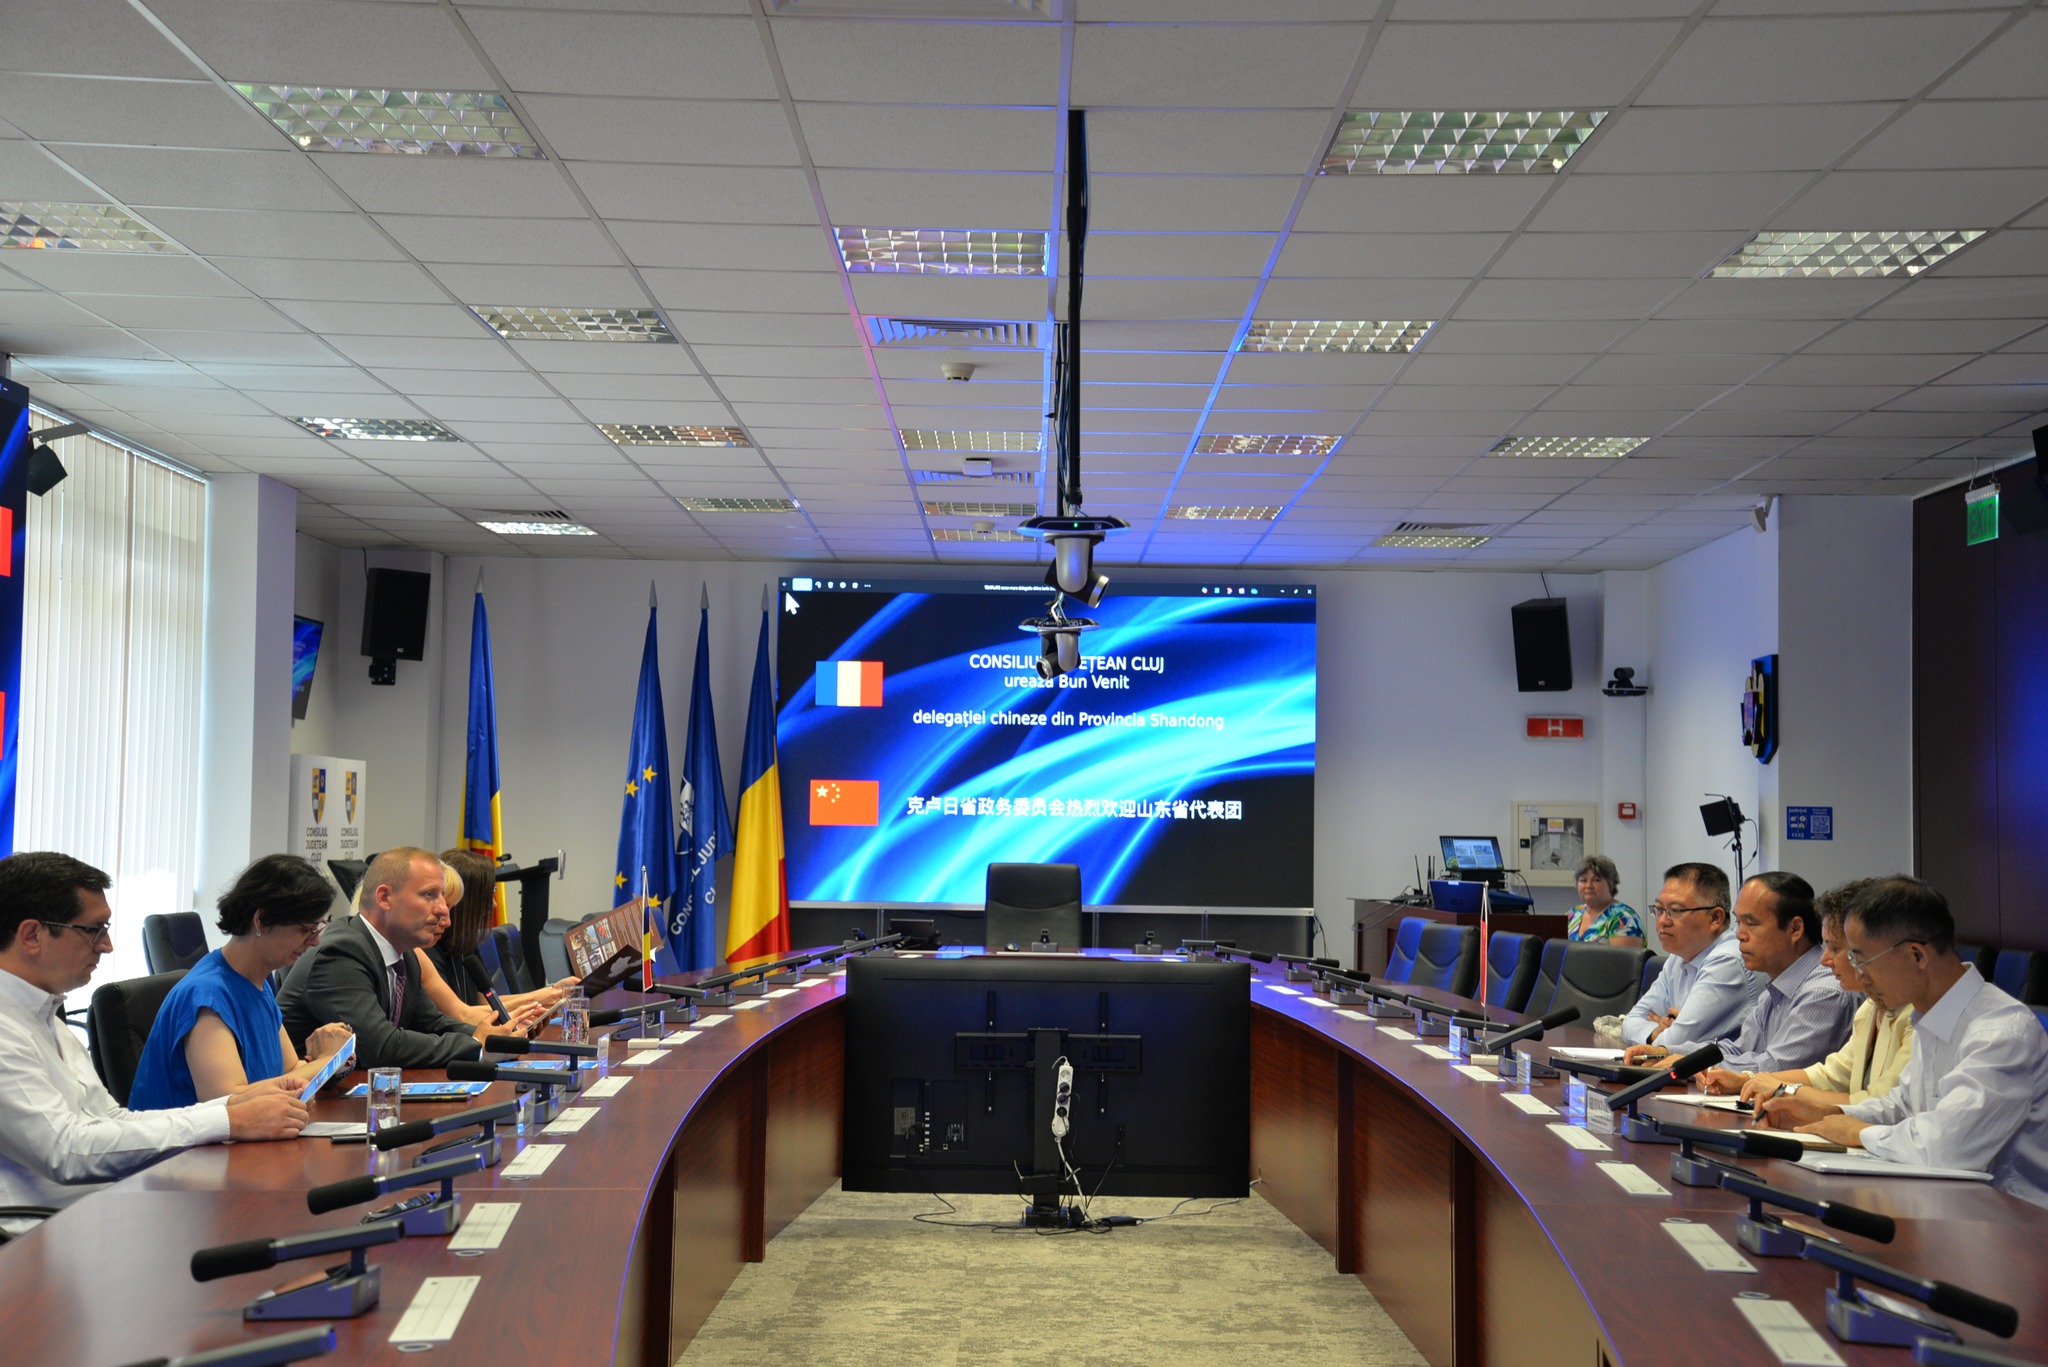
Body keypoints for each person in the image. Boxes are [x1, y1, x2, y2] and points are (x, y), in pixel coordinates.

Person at [0, 852, 308, 1227]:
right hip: (37, 1237)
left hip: (101, 1209)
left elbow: (110, 1119)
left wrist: (234, 1106)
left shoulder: (44, 1015)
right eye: (93, 930)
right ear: (32, 936)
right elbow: (67, 1150)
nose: (107, 945)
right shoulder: (5, 1029)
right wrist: (229, 1119)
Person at [1792, 877, 2048, 1208]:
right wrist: (1826, 1114)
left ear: (1916, 955)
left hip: (2014, 1221)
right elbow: (1902, 1107)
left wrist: (1856, 1132)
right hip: (1950, 1205)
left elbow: (1946, 1147)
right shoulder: (1930, 1016)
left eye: (1861, 960)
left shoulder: (2000, 1032)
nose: (1860, 975)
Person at [129, 855, 356, 1110]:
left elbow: (291, 1070)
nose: (315, 941)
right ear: (262, 921)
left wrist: (337, 1059)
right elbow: (229, 1103)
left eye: (317, 929)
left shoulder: (258, 982)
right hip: (191, 1136)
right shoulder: (207, 995)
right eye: (306, 930)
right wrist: (328, 1059)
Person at [278, 846, 529, 1068]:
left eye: (442, 896)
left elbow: (432, 1023)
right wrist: (476, 1046)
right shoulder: (341, 952)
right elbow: (378, 1046)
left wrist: (496, 1037)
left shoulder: (404, 954)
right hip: (305, 1099)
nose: (443, 909)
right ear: (384, 898)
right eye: (429, 895)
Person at [1629, 871, 1854, 1078]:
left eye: (1751, 923)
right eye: (1738, 922)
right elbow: (1737, 1049)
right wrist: (1667, 1051)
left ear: (1795, 929)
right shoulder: (1777, 986)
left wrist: (1688, 1064)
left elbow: (1776, 1067)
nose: (1739, 935)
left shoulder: (1824, 993)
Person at [1738, 878, 1914, 1125]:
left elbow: (1882, 1104)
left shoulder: (1918, 1014)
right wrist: (1749, 1079)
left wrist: (1784, 1089)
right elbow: (1831, 1075)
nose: (1824, 959)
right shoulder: (1871, 1008)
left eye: (1835, 948)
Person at [1619, 862, 1762, 1050]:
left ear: (1715, 918)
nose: (1663, 921)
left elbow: (1673, 1044)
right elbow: (1631, 1021)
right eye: (1659, 909)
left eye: (1675, 911)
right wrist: (1655, 1033)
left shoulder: (1729, 960)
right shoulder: (1679, 957)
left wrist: (1665, 1034)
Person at [422, 849, 573, 1027]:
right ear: (468, 899)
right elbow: (460, 1014)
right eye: (490, 892)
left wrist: (548, 994)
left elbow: (483, 1001)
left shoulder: (464, 942)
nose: (494, 904)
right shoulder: (426, 950)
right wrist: (541, 997)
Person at [1567, 855, 1642, 946]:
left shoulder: (1623, 918)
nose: (1588, 886)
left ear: (1610, 884)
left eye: (1596, 880)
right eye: (1583, 880)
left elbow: (1623, 955)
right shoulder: (1572, 914)